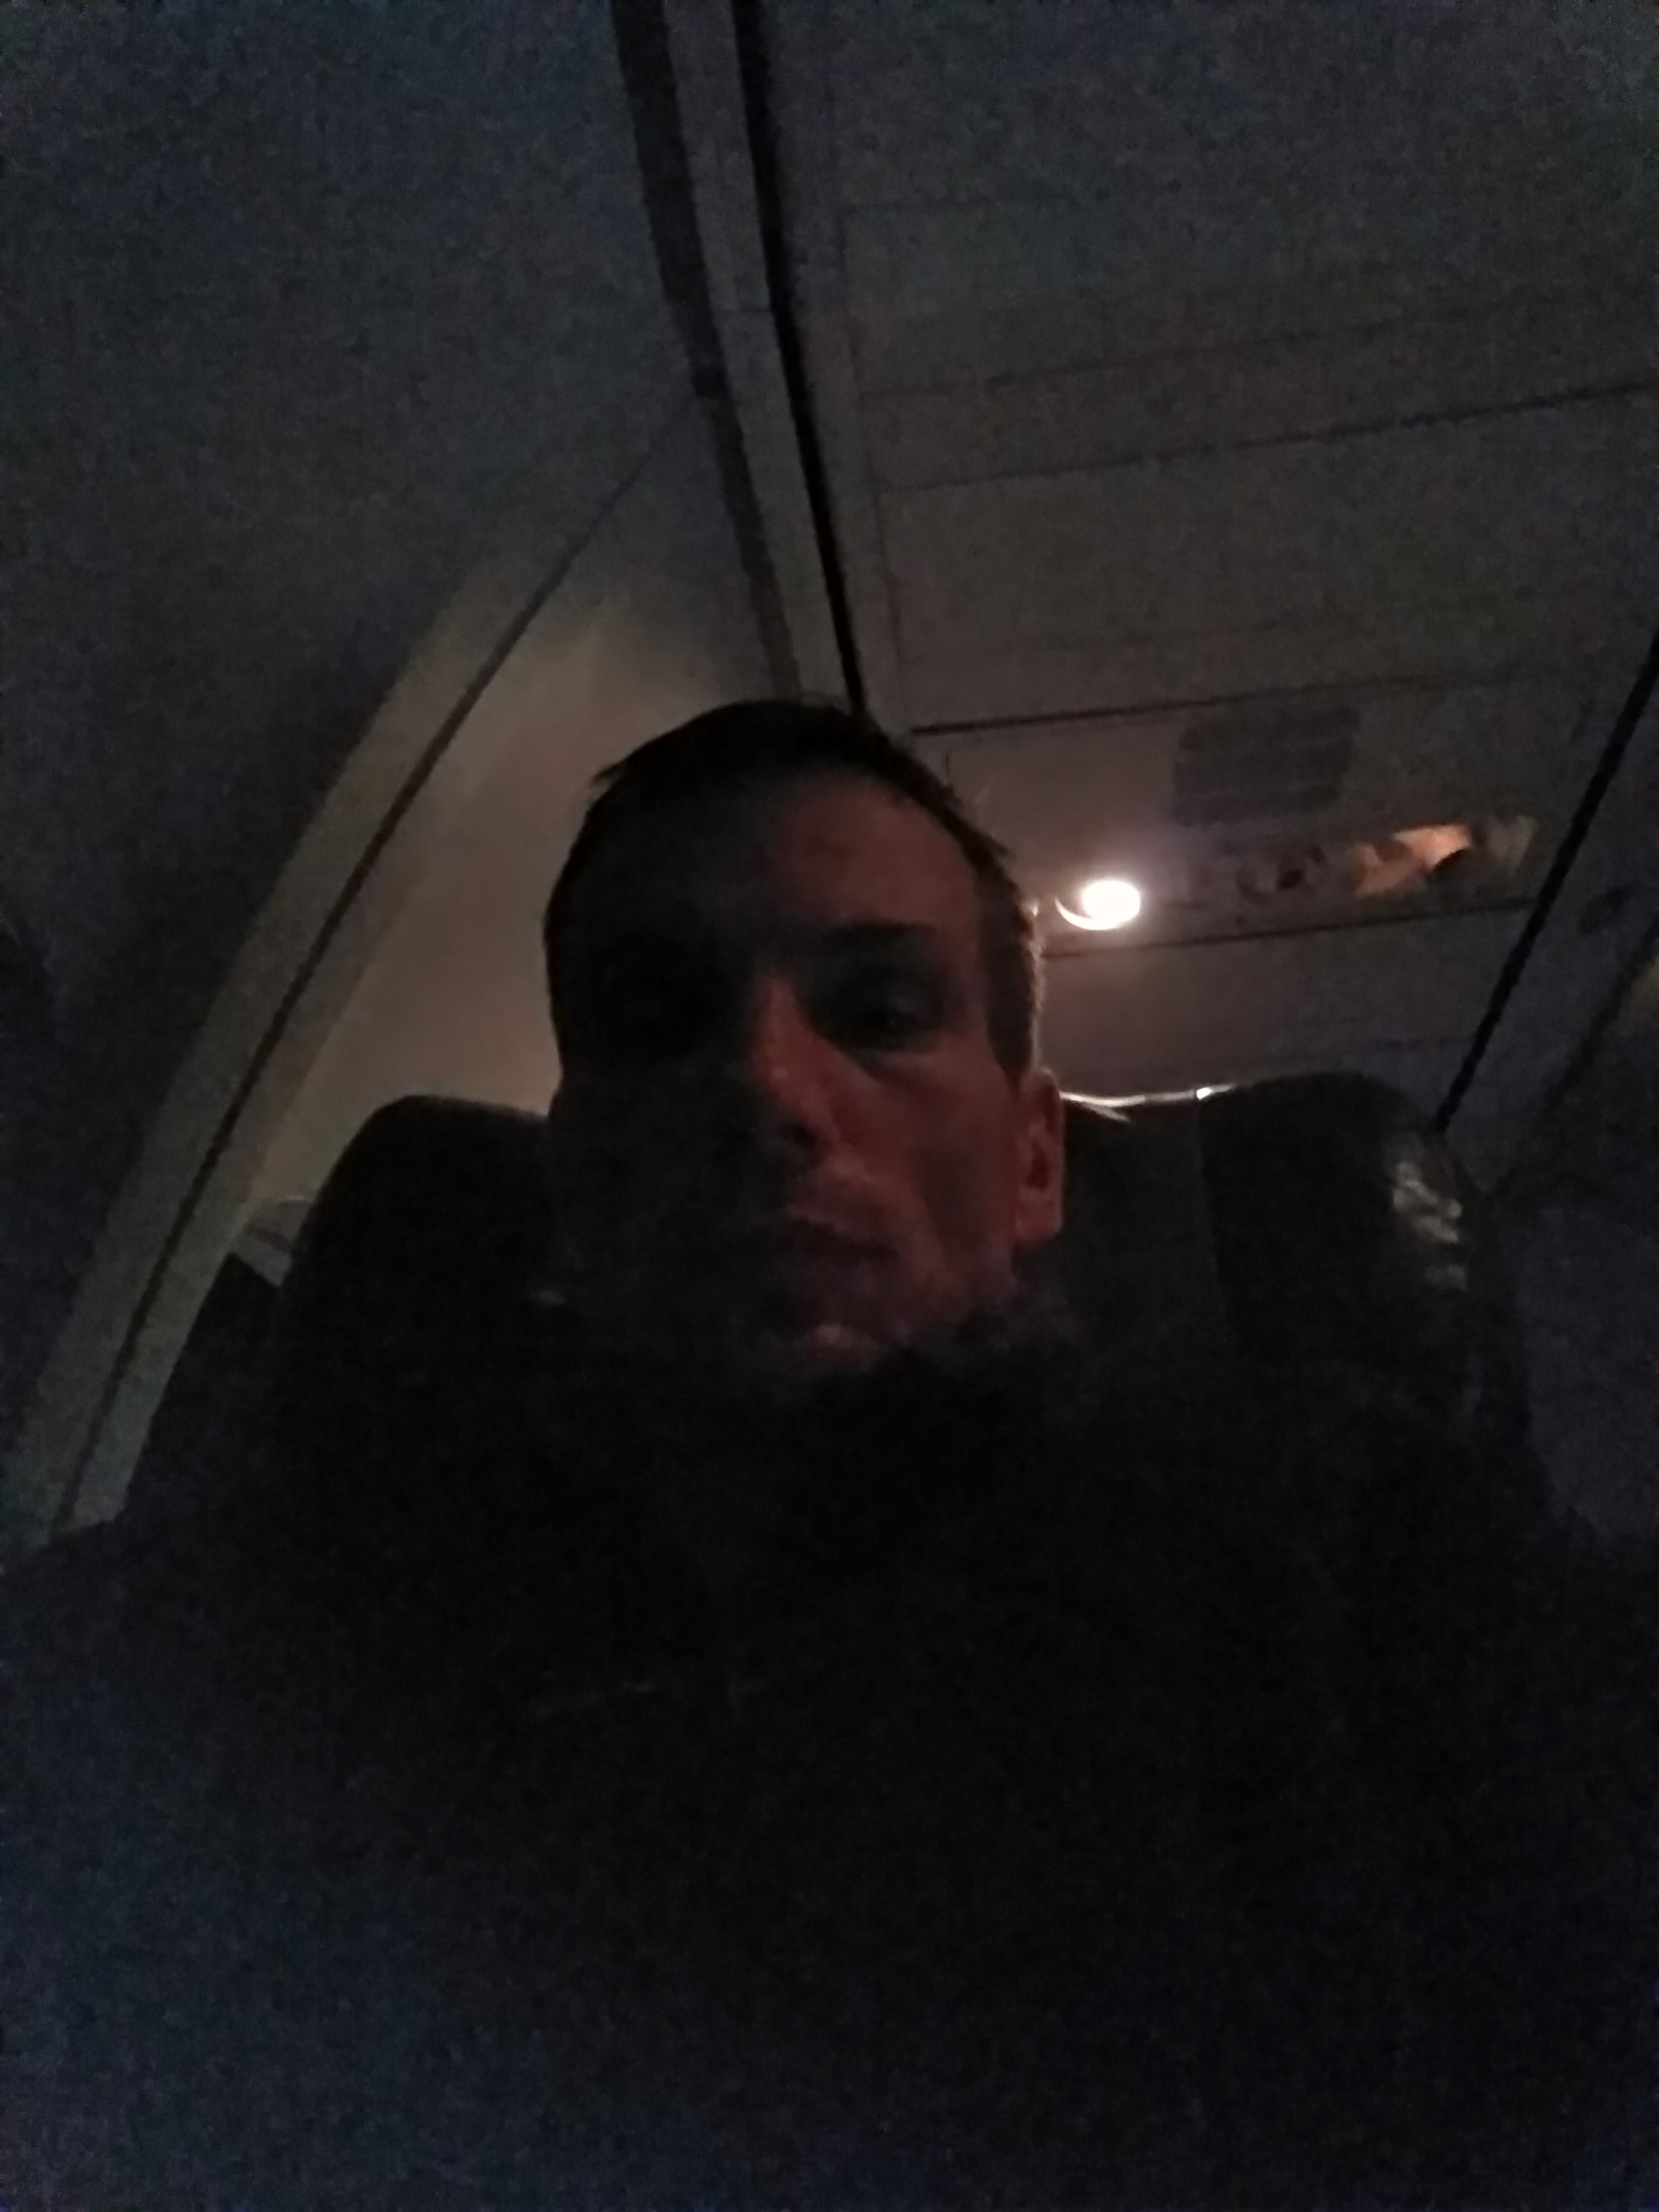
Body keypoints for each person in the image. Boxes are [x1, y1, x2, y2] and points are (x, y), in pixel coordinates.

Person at [2, 701, 1652, 2209]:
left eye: (879, 1009)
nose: (765, 1087)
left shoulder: (1349, 1560)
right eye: (659, 1016)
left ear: (1033, 1163)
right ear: (569, 1180)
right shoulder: (256, 1655)